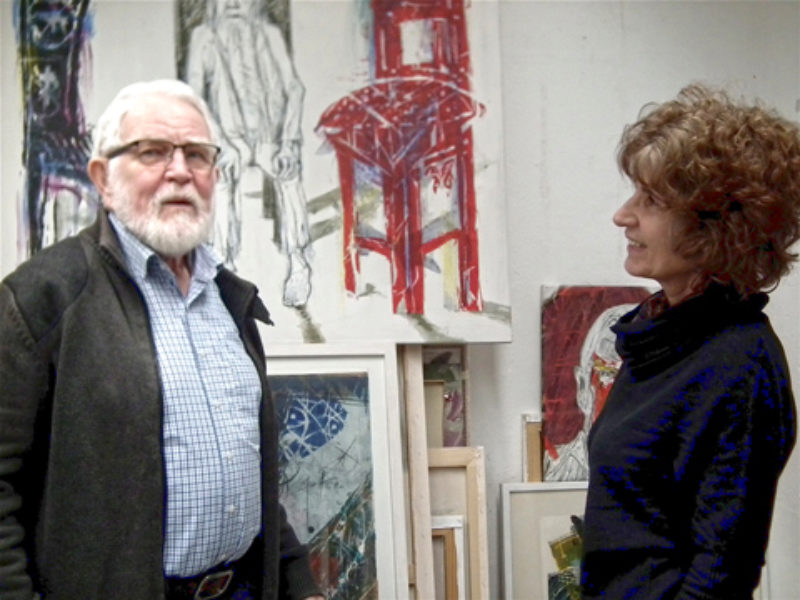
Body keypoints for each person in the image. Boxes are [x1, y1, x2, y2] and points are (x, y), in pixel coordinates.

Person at [0, 79, 325, 600]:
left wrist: (297, 581)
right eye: (152, 152)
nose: (180, 171)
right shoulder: (44, 298)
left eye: (197, 154)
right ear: (103, 178)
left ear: (215, 176)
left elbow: (250, 474)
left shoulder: (229, 299)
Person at [580, 83, 800, 599]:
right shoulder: (654, 334)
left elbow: (720, 575)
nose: (624, 215)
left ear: (717, 226)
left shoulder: (739, 363)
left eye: (651, 200)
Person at [186, 0, 313, 307]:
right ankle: (224, 270)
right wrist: (219, 144)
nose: (232, 4)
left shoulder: (268, 33)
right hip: (228, 139)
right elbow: (194, 97)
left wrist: (287, 141)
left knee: (289, 175)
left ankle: (299, 263)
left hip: (270, 137)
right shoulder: (204, 36)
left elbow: (294, 89)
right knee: (219, 180)